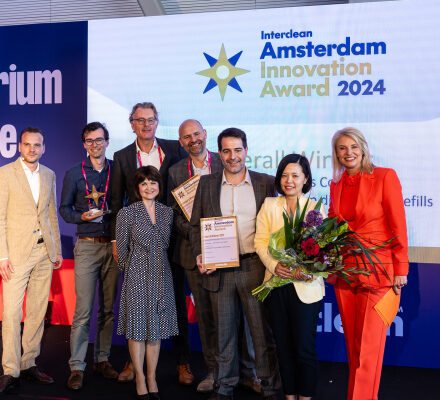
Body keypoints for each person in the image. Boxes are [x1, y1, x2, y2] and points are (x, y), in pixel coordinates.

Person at [189, 128, 278, 400]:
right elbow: (195, 226)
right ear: (219, 153)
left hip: (255, 267)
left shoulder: (266, 183)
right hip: (220, 270)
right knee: (223, 333)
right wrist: (200, 254)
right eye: (226, 151)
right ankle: (224, 386)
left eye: (238, 150)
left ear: (246, 151)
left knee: (261, 333)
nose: (233, 156)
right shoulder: (206, 184)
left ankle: (269, 385)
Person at [111, 102, 191, 384]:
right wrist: (116, 239)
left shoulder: (175, 149)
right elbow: (116, 199)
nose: (146, 125)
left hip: (172, 234)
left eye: (151, 119)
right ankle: (134, 363)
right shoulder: (121, 156)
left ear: (157, 122)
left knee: (176, 299)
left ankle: (183, 362)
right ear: (132, 124)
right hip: (139, 240)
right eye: (140, 120)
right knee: (138, 303)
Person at [328, 127, 409, 400]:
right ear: (336, 154)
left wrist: (401, 269)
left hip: (378, 272)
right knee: (354, 349)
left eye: (353, 147)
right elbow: (333, 227)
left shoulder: (385, 177)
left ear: (363, 149)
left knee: (369, 351)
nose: (348, 153)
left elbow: (398, 226)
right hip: (345, 273)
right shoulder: (336, 185)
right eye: (342, 148)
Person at [254, 154, 326, 400]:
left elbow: (322, 248)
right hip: (276, 285)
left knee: (304, 348)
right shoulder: (269, 205)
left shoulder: (315, 208)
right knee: (283, 347)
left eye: (295, 175)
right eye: (284, 175)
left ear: (305, 179)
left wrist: (306, 269)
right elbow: (260, 242)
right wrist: (274, 266)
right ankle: (289, 395)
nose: (289, 180)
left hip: (305, 287)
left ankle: (305, 396)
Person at [0, 127, 63, 393]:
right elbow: (0, 217)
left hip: (44, 253)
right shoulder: (5, 173)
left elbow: (51, 214)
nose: (32, 149)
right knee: (12, 314)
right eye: (27, 144)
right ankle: (10, 370)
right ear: (19, 147)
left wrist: (56, 249)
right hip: (15, 254)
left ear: (43, 148)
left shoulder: (49, 174)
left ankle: (28, 363)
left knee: (37, 311)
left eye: (37, 145)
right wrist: (2, 255)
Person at [59, 122, 119, 390]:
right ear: (84, 144)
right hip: (86, 246)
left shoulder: (118, 170)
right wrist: (80, 217)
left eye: (99, 139)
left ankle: (102, 359)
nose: (95, 144)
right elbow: (64, 209)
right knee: (83, 311)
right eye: (89, 141)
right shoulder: (74, 173)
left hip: (112, 246)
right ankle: (77, 366)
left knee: (107, 310)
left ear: (107, 141)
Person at [116, 166, 178, 400]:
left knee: (155, 330)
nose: (149, 187)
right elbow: (121, 252)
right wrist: (134, 272)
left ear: (159, 186)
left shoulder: (167, 213)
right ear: (137, 188)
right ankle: (140, 378)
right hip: (137, 277)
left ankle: (152, 377)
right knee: (137, 329)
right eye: (144, 183)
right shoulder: (127, 213)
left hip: (162, 275)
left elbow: (167, 245)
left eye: (153, 182)